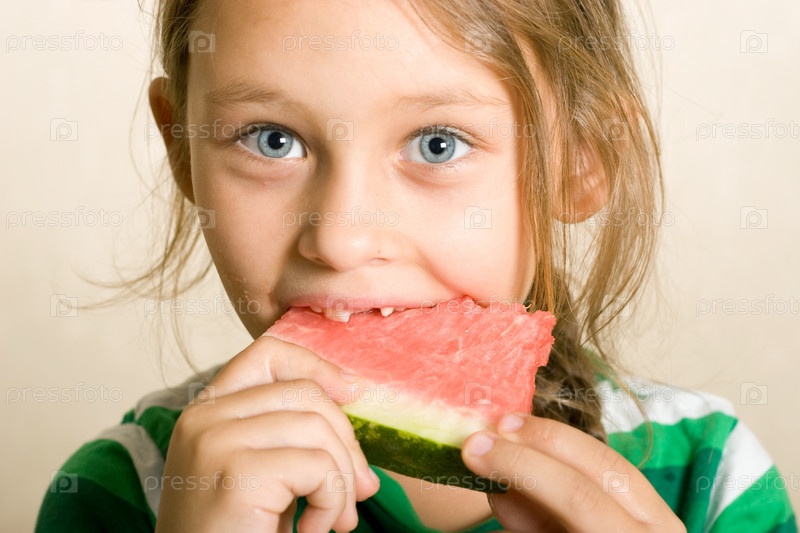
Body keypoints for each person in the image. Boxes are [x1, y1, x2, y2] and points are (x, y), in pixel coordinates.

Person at [36, 0, 797, 531]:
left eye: (438, 143)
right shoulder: (123, 493)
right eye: (271, 139)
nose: (339, 239)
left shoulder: (712, 483)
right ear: (181, 149)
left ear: (581, 159)